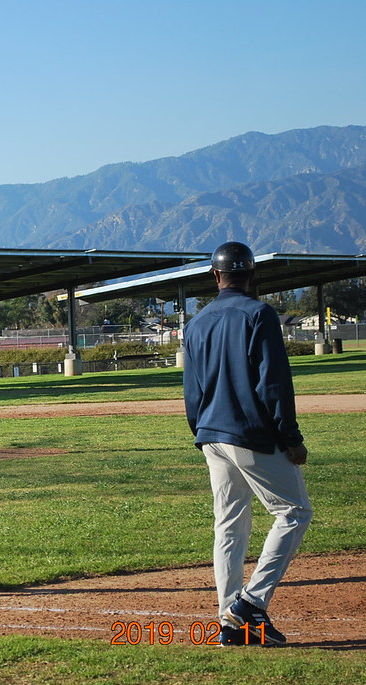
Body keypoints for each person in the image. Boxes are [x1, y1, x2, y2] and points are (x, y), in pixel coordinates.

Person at [183, 241, 313, 647]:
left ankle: (231, 623)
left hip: (211, 434)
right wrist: (290, 437)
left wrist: (201, 433)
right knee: (294, 511)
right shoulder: (259, 313)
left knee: (230, 524)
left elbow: (192, 390)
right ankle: (251, 603)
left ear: (214, 275)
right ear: (252, 274)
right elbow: (273, 383)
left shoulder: (197, 322)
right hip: (250, 433)